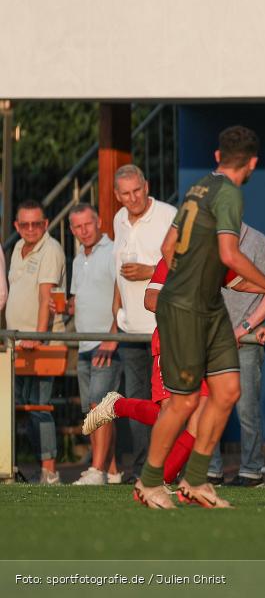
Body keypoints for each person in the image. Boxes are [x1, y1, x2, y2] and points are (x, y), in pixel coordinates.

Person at [135, 125, 265, 509]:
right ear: (253, 163)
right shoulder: (231, 193)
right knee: (185, 403)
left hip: (208, 306)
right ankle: (149, 483)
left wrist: (199, 279)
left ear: (218, 156)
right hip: (187, 309)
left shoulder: (199, 187)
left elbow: (170, 247)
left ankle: (196, 481)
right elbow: (229, 255)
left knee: (227, 391)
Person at [83, 258, 265, 492]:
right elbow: (150, 300)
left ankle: (160, 482)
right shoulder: (174, 259)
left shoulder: (215, 258)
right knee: (172, 415)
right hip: (171, 345)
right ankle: (118, 407)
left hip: (201, 348)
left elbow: (245, 283)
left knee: (199, 421)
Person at [108, 164, 177, 479]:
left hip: (162, 330)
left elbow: (183, 264)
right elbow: (118, 277)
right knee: (138, 404)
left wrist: (149, 271)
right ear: (116, 195)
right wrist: (115, 320)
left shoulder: (168, 215)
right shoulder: (118, 219)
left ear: (147, 185)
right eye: (125, 193)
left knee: (171, 405)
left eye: (137, 190)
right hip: (130, 328)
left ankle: (170, 468)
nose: (133, 198)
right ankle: (139, 468)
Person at [207, 223, 265, 488]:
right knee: (209, 406)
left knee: (246, 407)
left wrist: (244, 328)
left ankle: (251, 472)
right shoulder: (206, 238)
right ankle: (211, 471)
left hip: (246, 340)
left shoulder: (257, 240)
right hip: (212, 339)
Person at [7, 200, 66, 484]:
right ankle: (25, 467)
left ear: (46, 223)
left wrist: (38, 337)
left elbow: (46, 298)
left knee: (39, 407)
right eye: (25, 224)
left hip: (39, 345)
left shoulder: (51, 249)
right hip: (18, 345)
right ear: (16, 226)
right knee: (21, 408)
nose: (31, 229)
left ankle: (49, 471)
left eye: (37, 224)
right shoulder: (17, 248)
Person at [67, 204, 123, 485]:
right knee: (94, 410)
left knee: (99, 406)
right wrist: (67, 307)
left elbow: (122, 294)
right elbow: (79, 299)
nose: (83, 231)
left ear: (99, 220)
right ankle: (112, 471)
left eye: (87, 224)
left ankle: (97, 470)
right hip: (83, 344)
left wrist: (112, 337)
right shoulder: (78, 259)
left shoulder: (114, 251)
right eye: (77, 227)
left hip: (107, 342)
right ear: (71, 229)